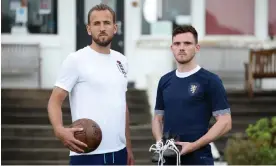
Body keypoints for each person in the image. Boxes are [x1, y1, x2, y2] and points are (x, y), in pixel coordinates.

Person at [47, 4, 134, 165]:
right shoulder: (76, 60)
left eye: (107, 23)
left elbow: (122, 106)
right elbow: (55, 100)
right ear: (88, 29)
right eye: (96, 23)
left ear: (115, 28)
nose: (102, 28)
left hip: (119, 152)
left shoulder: (121, 60)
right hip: (87, 154)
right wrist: (59, 130)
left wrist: (128, 146)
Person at [150, 25, 232, 165]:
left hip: (198, 159)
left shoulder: (210, 80)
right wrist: (159, 143)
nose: (181, 47)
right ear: (172, 48)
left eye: (187, 43)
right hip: (169, 160)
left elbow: (225, 122)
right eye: (177, 43)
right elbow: (158, 119)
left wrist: (194, 145)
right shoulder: (165, 81)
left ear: (197, 47)